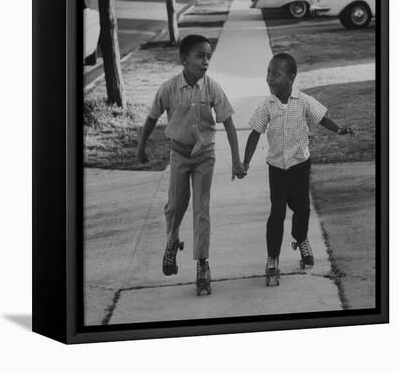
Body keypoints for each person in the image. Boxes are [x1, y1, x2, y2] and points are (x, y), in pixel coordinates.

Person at [136, 34, 245, 295]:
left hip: (204, 155)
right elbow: (152, 118)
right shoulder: (169, 88)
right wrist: (140, 147)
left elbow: (228, 122)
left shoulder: (212, 88)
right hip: (179, 154)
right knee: (175, 206)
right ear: (184, 59)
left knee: (201, 209)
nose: (205, 61)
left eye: (208, 56)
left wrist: (236, 160)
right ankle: (172, 242)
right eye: (200, 56)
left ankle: (202, 264)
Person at [242, 52, 354, 286]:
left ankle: (301, 239)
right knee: (278, 212)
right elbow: (255, 134)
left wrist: (339, 130)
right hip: (276, 168)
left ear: (291, 77)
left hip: (300, 166)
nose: (270, 79)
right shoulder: (267, 105)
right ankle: (273, 258)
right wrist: (245, 162)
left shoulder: (303, 101)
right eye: (268, 73)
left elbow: (322, 117)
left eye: (276, 74)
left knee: (302, 208)